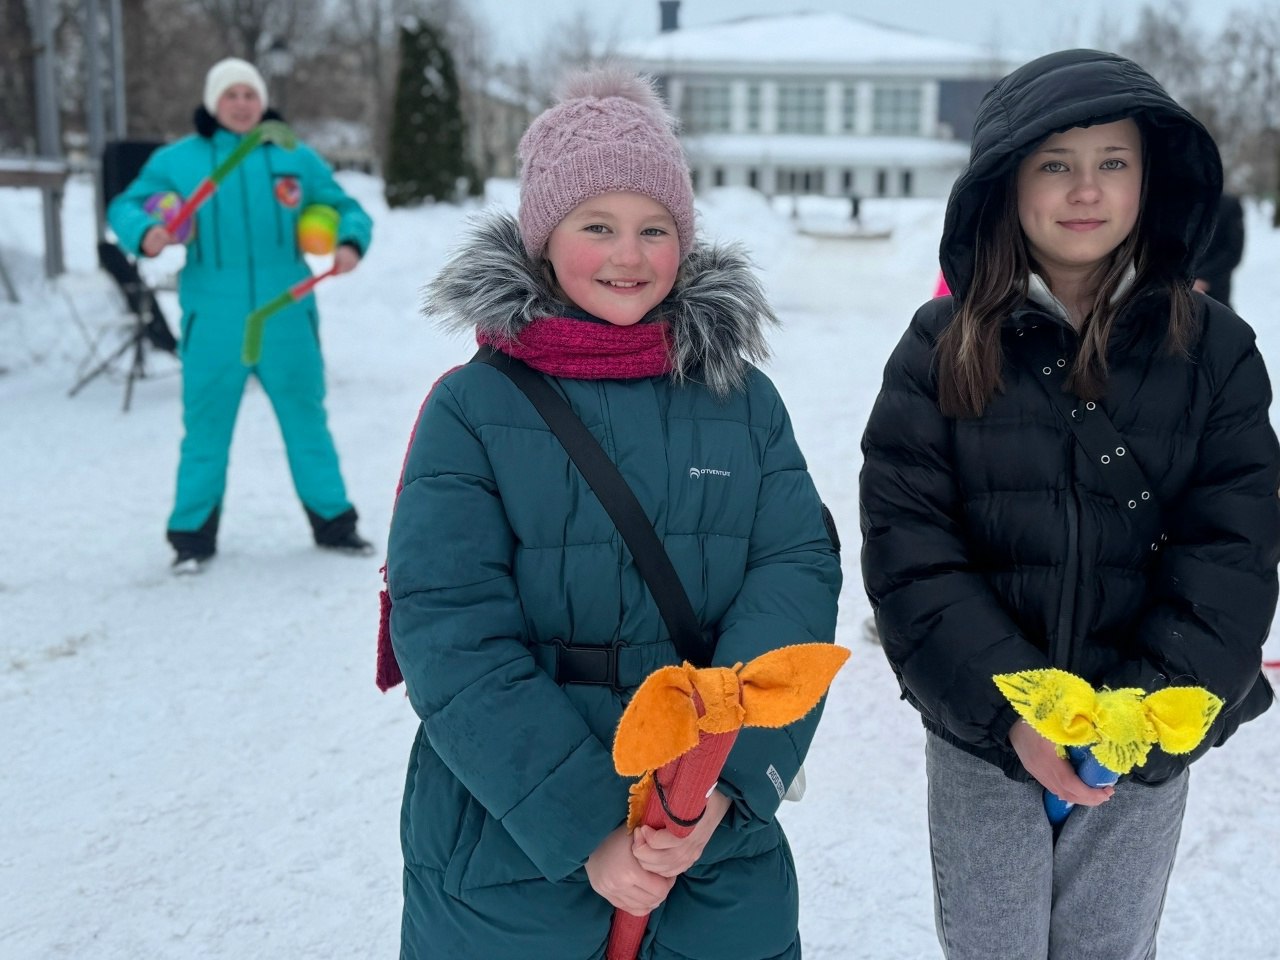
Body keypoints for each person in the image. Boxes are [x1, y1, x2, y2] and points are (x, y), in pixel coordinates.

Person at [384, 67, 841, 959]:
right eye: (597, 226)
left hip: (707, 832)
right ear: (544, 237)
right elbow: (449, 630)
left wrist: (724, 786)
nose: (628, 256)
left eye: (654, 229)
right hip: (512, 844)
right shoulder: (473, 409)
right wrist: (586, 829)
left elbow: (795, 571)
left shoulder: (741, 400)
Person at [860, 49, 1278, 960]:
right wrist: (1013, 709)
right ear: (1006, 185)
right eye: (1055, 163)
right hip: (988, 732)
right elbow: (910, 549)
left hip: (1144, 730)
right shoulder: (937, 348)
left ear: (1149, 178)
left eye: (1112, 162)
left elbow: (1234, 549)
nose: (1085, 189)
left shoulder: (1218, 351)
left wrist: (1145, 710)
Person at [107, 57, 374, 572]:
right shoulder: (179, 160)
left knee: (307, 421)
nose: (241, 104)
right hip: (213, 315)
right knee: (205, 428)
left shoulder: (292, 157)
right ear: (213, 101)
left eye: (249, 94)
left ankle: (334, 523)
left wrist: (349, 242)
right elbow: (126, 206)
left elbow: (349, 208)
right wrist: (146, 232)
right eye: (230, 95)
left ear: (262, 100)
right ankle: (191, 537)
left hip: (286, 312)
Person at [1193, 191, 1245, 309]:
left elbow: (1233, 252)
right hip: (1177, 293)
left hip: (1214, 289)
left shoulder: (1229, 205)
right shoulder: (1178, 202)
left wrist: (1201, 278)